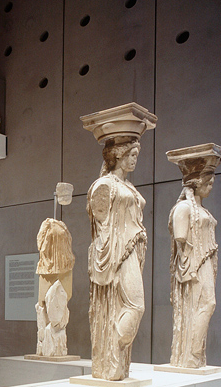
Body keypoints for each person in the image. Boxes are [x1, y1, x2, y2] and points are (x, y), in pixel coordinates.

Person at [81, 102, 156, 381]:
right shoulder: (104, 186)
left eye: (137, 154)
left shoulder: (129, 187)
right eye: (131, 154)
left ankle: (116, 361)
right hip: (117, 254)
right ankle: (110, 350)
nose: (135, 160)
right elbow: (102, 230)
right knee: (136, 307)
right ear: (119, 154)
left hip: (132, 250)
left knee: (133, 306)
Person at [166, 144, 221, 369]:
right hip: (193, 264)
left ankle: (195, 354)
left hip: (206, 261)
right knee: (206, 303)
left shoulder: (203, 210)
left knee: (208, 304)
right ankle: (191, 353)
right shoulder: (183, 208)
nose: (210, 187)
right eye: (208, 183)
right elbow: (181, 239)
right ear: (196, 183)